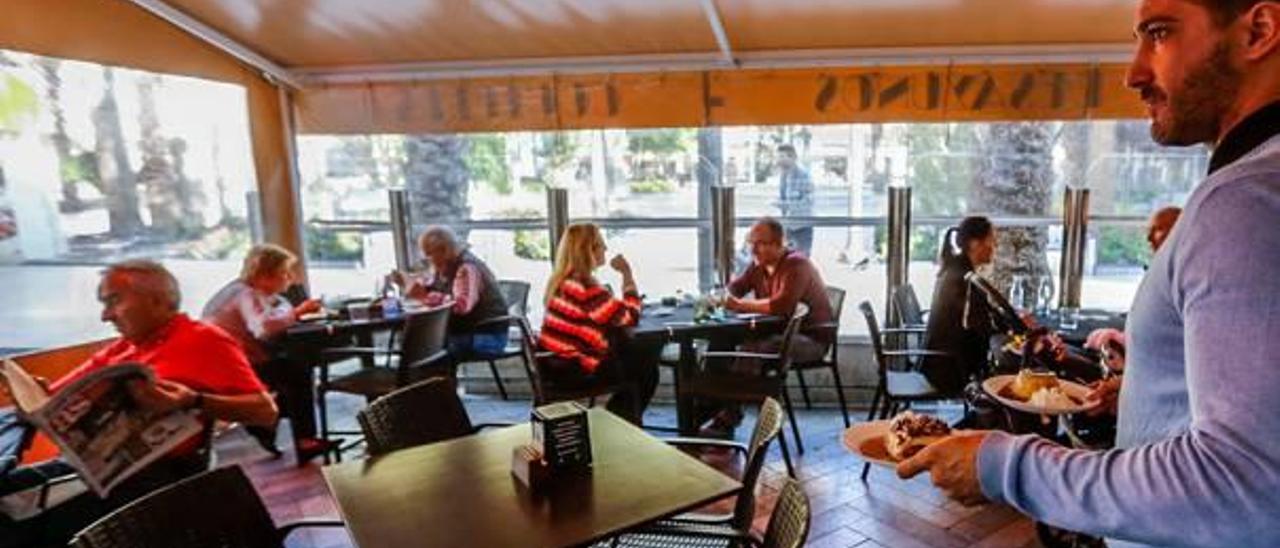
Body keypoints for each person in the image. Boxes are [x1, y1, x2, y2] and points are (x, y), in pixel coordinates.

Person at [899, 2, 1280, 546]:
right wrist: (1142, 390)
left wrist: (1005, 465)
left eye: (1160, 33)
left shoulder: (1245, 200)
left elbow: (1247, 485)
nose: (1133, 73)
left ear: (1259, 30)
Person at [0, 260, 277, 547]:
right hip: (89, 471)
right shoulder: (124, 347)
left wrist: (193, 400)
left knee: (21, 524)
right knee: (8, 499)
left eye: (113, 301)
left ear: (157, 300)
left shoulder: (204, 340)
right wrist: (35, 394)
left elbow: (265, 412)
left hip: (152, 485)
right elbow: (52, 400)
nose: (106, 316)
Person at [202, 244, 331, 462]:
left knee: (288, 374)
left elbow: (273, 312)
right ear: (264, 274)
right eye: (284, 272)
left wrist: (287, 309)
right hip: (233, 368)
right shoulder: (246, 294)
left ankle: (263, 423)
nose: (289, 278)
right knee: (297, 373)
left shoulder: (236, 290)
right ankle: (302, 440)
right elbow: (263, 328)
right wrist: (298, 312)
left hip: (221, 364)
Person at [707, 217, 834, 433]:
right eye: (751, 243)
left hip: (811, 340)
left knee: (754, 348)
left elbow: (781, 306)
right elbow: (734, 288)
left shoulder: (796, 265)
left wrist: (738, 305)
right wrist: (717, 297)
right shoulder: (758, 266)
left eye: (760, 243)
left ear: (779, 244)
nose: (754, 249)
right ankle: (710, 404)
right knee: (721, 340)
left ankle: (731, 413)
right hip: (778, 333)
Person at [537, 223, 660, 424]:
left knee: (637, 355)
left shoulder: (562, 282)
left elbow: (606, 313)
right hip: (574, 370)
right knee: (646, 363)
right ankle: (619, 423)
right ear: (589, 250)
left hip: (554, 364)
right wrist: (627, 274)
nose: (606, 249)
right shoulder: (586, 288)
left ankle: (618, 419)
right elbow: (630, 316)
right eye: (601, 245)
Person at [1083, 205, 1182, 376]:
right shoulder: (1160, 272)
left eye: (1156, 230)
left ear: (1178, 233)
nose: (1148, 237)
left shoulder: (1181, 280)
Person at [391, 226, 509, 357]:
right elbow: (432, 285)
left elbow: (462, 306)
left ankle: (432, 377)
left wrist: (425, 296)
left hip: (486, 337)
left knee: (425, 348)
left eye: (429, 254)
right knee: (420, 344)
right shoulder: (446, 267)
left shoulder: (467, 268)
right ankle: (433, 376)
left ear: (444, 250)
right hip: (469, 332)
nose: (427, 259)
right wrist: (409, 283)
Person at [918, 216, 1001, 395]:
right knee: (1006, 371)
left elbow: (978, 317)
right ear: (974, 243)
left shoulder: (955, 268)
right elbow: (982, 326)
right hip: (949, 371)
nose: (994, 247)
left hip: (936, 364)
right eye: (991, 241)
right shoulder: (964, 278)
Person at [775, 144, 814, 256]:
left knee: (801, 262)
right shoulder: (784, 175)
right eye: (778, 157)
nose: (779, 161)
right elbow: (784, 197)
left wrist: (785, 205)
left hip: (802, 226)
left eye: (782, 157)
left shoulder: (803, 175)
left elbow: (808, 202)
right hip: (789, 226)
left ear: (792, 157)